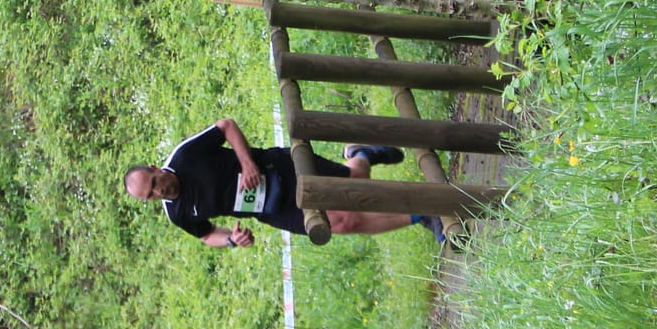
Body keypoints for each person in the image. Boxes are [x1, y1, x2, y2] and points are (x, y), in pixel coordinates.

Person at [123, 117, 444, 247]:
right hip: (271, 208)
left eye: (154, 181)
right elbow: (206, 235)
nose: (159, 190)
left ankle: (361, 154)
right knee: (341, 222)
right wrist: (232, 239)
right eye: (151, 195)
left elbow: (226, 126)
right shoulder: (177, 213)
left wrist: (247, 163)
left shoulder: (184, 157)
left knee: (355, 183)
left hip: (279, 168)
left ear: (155, 168)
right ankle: (422, 214)